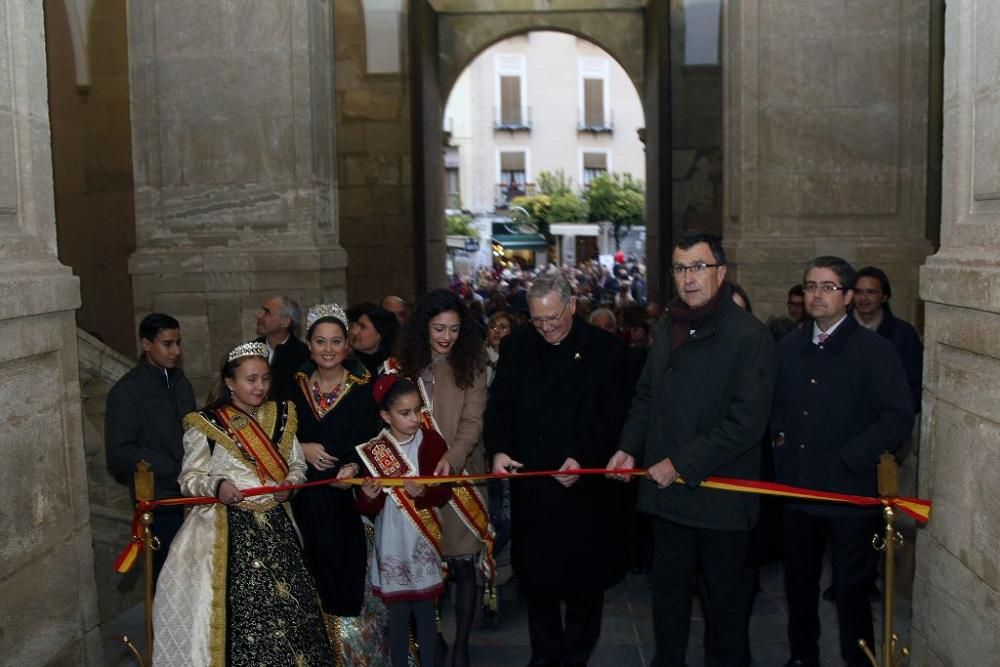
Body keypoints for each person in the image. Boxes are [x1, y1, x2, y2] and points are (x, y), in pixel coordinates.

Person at [609, 231, 776, 667]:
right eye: (681, 268)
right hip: (667, 500)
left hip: (720, 502)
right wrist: (629, 447)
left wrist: (679, 463)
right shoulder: (669, 323)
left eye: (699, 266)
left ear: (720, 272)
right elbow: (647, 395)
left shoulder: (749, 336)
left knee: (724, 613)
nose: (689, 277)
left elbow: (746, 424)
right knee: (667, 604)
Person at [152, 341, 333, 666]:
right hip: (226, 531)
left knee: (292, 606)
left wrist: (291, 486)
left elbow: (297, 466)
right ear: (230, 382)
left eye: (264, 378)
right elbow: (189, 477)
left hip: (278, 529)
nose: (260, 386)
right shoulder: (205, 424)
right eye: (251, 379)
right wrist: (218, 486)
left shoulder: (282, 415)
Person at [772, 256, 914, 667]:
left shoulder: (875, 350)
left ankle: (860, 660)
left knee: (851, 591)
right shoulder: (790, 344)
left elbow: (898, 418)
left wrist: (852, 456)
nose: (816, 294)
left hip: (848, 494)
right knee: (798, 587)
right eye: (810, 286)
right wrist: (779, 437)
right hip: (798, 491)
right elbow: (776, 402)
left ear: (848, 297)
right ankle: (803, 656)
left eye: (827, 287)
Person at [485, 272, 629, 667]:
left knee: (585, 584)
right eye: (537, 320)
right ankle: (545, 657)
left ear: (572, 307)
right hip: (536, 486)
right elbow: (500, 407)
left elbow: (614, 416)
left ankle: (577, 657)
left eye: (554, 318)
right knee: (538, 583)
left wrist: (584, 458)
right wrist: (499, 451)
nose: (546, 328)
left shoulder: (607, 349)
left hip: (586, 488)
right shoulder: (517, 346)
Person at [392, 288, 491, 667]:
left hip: (462, 475)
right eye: (438, 329)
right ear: (424, 328)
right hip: (415, 476)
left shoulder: (473, 363)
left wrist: (451, 457)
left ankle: (462, 643)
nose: (446, 337)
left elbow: (473, 421)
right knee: (425, 563)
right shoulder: (403, 365)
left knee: (463, 562)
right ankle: (433, 640)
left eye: (453, 328)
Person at [289, 304, 384, 662]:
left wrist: (353, 467)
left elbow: (375, 440)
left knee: (347, 581)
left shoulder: (365, 389)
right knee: (309, 578)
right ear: (309, 346)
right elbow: (275, 436)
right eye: (320, 341)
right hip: (304, 503)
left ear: (347, 346)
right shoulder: (292, 388)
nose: (328, 349)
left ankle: (350, 657)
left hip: (348, 507)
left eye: (336, 341)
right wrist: (302, 447)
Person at [356, 375, 453, 667]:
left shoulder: (432, 441)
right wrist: (369, 496)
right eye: (405, 413)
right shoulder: (375, 451)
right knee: (397, 616)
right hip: (392, 541)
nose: (414, 418)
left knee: (426, 612)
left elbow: (445, 491)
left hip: (422, 539)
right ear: (385, 415)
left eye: (418, 410)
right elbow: (367, 507)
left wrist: (424, 493)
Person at [105, 313, 196, 579]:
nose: (176, 351)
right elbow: (120, 452)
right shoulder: (126, 391)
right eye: (168, 344)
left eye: (178, 343)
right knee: (168, 577)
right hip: (159, 500)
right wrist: (173, 467)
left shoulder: (181, 382)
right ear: (146, 345)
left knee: (195, 577)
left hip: (192, 494)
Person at [852, 266, 923, 411]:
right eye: (858, 292)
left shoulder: (904, 334)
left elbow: (914, 384)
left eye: (871, 292)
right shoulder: (837, 330)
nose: (864, 298)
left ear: (884, 296)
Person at [254, 295, 309, 401]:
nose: (259, 316)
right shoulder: (250, 350)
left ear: (285, 321)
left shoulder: (303, 355)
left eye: (267, 312)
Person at [347, 302, 401, 376]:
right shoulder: (346, 364)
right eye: (354, 326)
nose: (354, 331)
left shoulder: (392, 369)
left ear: (380, 335)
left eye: (363, 327)